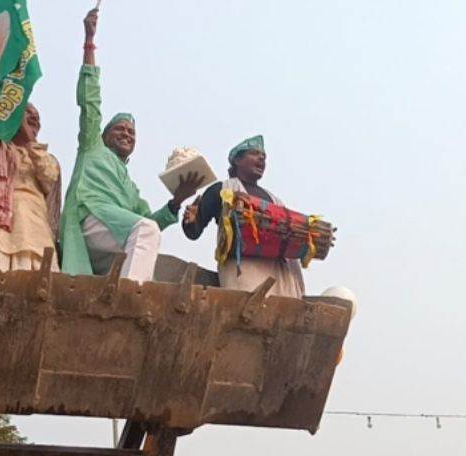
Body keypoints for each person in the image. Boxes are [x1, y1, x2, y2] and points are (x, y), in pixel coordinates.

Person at [58, 8, 203, 282]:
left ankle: (125, 289)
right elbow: (90, 99)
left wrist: (177, 201)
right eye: (120, 129)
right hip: (88, 220)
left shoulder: (128, 187)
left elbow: (152, 223)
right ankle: (130, 296)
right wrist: (89, 41)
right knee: (145, 230)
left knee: (148, 230)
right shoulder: (92, 147)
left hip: (108, 244)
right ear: (103, 134)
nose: (127, 134)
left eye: (132, 132)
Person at [181, 135, 305, 298]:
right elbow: (194, 231)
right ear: (237, 160)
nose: (261, 158)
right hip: (243, 271)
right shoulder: (222, 189)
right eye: (254, 153)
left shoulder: (275, 201)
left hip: (280, 275)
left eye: (264, 156)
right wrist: (189, 221)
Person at [0, 104, 62, 271]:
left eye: (37, 117)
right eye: (28, 113)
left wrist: (30, 142)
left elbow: (48, 177)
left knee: (38, 290)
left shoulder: (45, 157)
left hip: (35, 232)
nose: (34, 118)